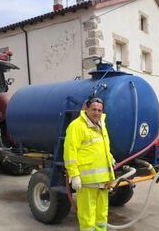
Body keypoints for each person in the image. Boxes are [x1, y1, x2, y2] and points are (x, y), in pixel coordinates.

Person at [64, 97, 115, 231]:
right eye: (94, 109)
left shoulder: (101, 124)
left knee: (101, 216)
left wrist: (110, 158)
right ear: (85, 109)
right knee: (87, 218)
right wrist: (74, 175)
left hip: (104, 181)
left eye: (99, 110)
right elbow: (70, 153)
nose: (97, 113)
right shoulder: (76, 126)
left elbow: (103, 147)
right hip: (87, 182)